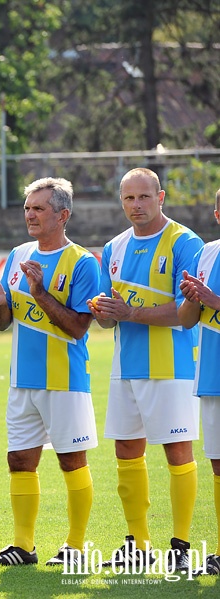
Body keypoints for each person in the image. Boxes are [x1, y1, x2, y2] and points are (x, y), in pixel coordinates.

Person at [0, 178, 100, 567]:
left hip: (65, 381)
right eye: (27, 207)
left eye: (39, 208)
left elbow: (79, 327)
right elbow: (3, 321)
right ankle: (22, 546)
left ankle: (75, 547)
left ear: (62, 215)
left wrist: (41, 292)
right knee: (19, 461)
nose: (30, 214)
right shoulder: (18, 254)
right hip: (21, 381)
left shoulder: (82, 262)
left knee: (71, 462)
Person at [92, 168, 203, 572]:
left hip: (171, 366)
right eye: (128, 199)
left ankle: (182, 543)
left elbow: (187, 310)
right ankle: (137, 543)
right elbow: (109, 316)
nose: (136, 206)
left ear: (161, 197)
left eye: (143, 197)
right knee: (126, 449)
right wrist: (103, 313)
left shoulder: (184, 241)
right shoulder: (114, 247)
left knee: (177, 451)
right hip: (126, 367)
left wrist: (130, 311)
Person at [178, 187, 220, 577]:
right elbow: (189, 319)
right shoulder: (207, 252)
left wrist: (215, 299)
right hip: (212, 376)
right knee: (219, 465)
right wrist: (192, 297)